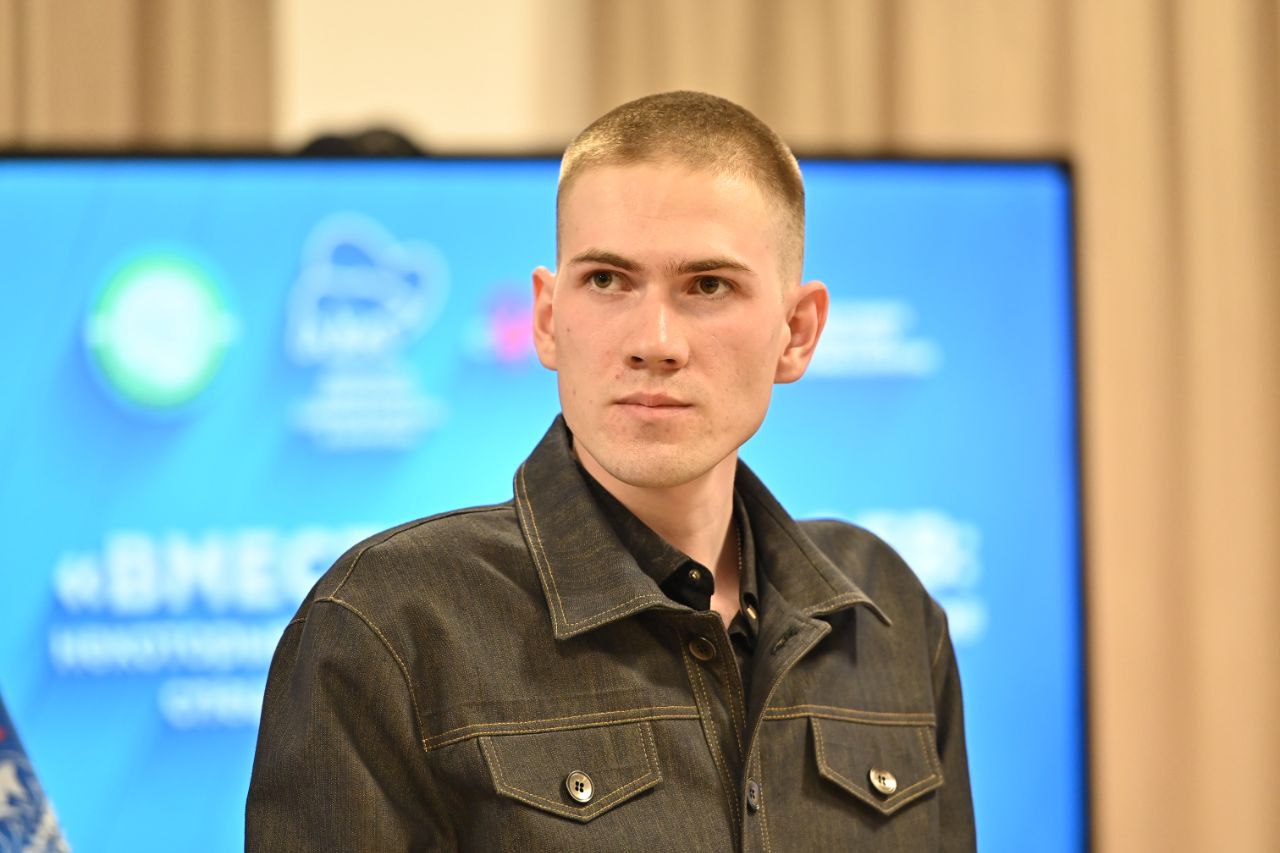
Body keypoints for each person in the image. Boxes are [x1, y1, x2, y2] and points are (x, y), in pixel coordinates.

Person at [246, 91, 975, 851]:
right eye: (606, 280)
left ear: (796, 332)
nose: (654, 342)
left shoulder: (889, 616)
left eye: (708, 285)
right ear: (547, 318)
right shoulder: (387, 624)